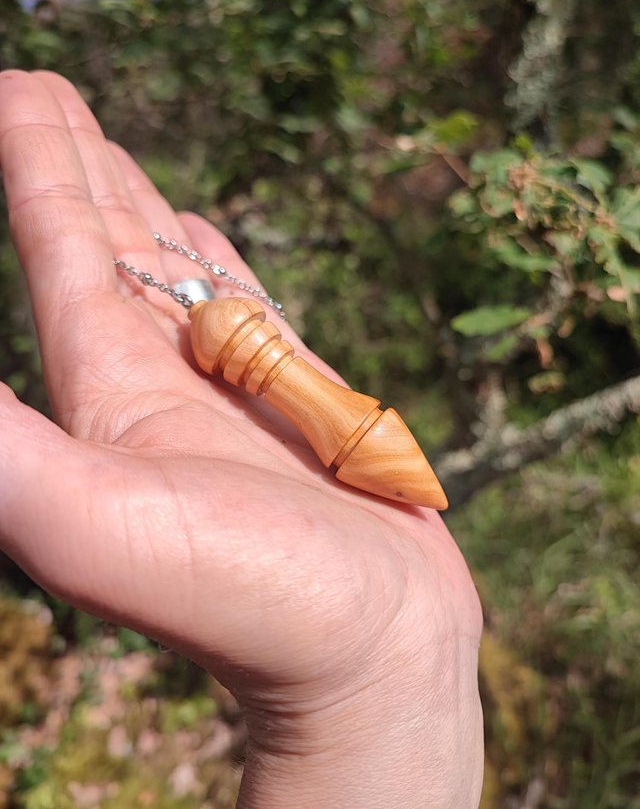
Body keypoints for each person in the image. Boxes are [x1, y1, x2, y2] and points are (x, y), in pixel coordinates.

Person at [0, 70, 484, 808]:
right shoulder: (229, 336)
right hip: (352, 429)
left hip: (353, 434)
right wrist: (382, 685)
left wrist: (392, 673)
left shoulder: (239, 345)